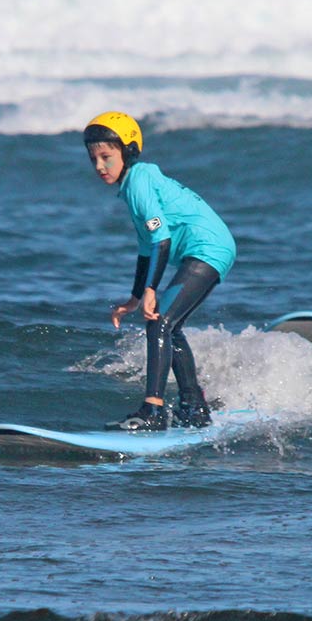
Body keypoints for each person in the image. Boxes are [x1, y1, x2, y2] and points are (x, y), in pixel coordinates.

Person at [83, 111, 236, 431]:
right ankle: (194, 407)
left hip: (208, 249)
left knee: (160, 321)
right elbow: (146, 249)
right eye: (93, 158)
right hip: (208, 249)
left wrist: (151, 291)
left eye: (106, 157)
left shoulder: (139, 180)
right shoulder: (133, 186)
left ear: (128, 151)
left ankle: (153, 411)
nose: (99, 166)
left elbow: (161, 240)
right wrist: (135, 297)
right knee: (170, 325)